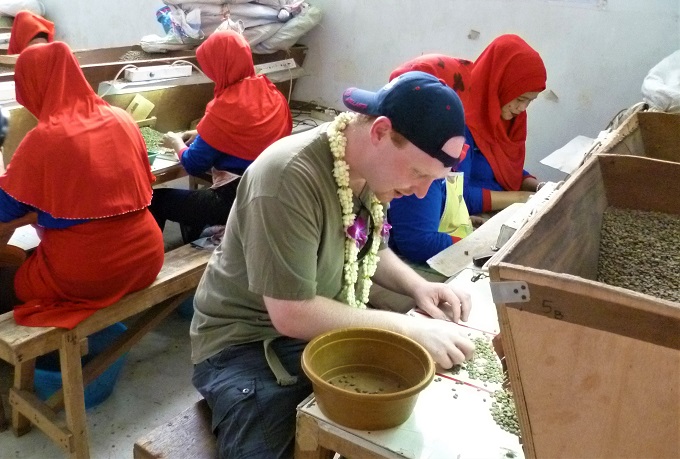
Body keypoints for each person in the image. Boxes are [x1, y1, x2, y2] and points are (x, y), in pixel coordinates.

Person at [190, 71, 476, 458]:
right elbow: (291, 314)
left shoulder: (366, 170)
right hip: (247, 344)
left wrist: (417, 288)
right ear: (380, 132)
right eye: (419, 173)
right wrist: (408, 327)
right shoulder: (288, 176)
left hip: (314, 327)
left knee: (410, 414)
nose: (421, 190)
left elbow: (365, 245)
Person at [0, 42, 164, 326]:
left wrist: (27, 214)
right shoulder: (122, 119)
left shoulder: (45, 139)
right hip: (147, 259)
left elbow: (4, 209)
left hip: (90, 274)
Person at [149, 30, 292, 243]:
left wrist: (176, 142)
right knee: (192, 204)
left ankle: (156, 264)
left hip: (234, 201)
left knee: (156, 199)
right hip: (268, 194)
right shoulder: (272, 94)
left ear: (221, 65)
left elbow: (193, 164)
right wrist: (202, 133)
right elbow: (250, 132)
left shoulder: (224, 108)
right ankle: (194, 238)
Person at [390, 34, 548, 217]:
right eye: (520, 99)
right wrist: (521, 198)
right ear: (501, 83)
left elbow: (503, 168)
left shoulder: (508, 120)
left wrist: (538, 187)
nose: (522, 108)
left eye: (530, 101)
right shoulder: (462, 122)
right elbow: (456, 194)